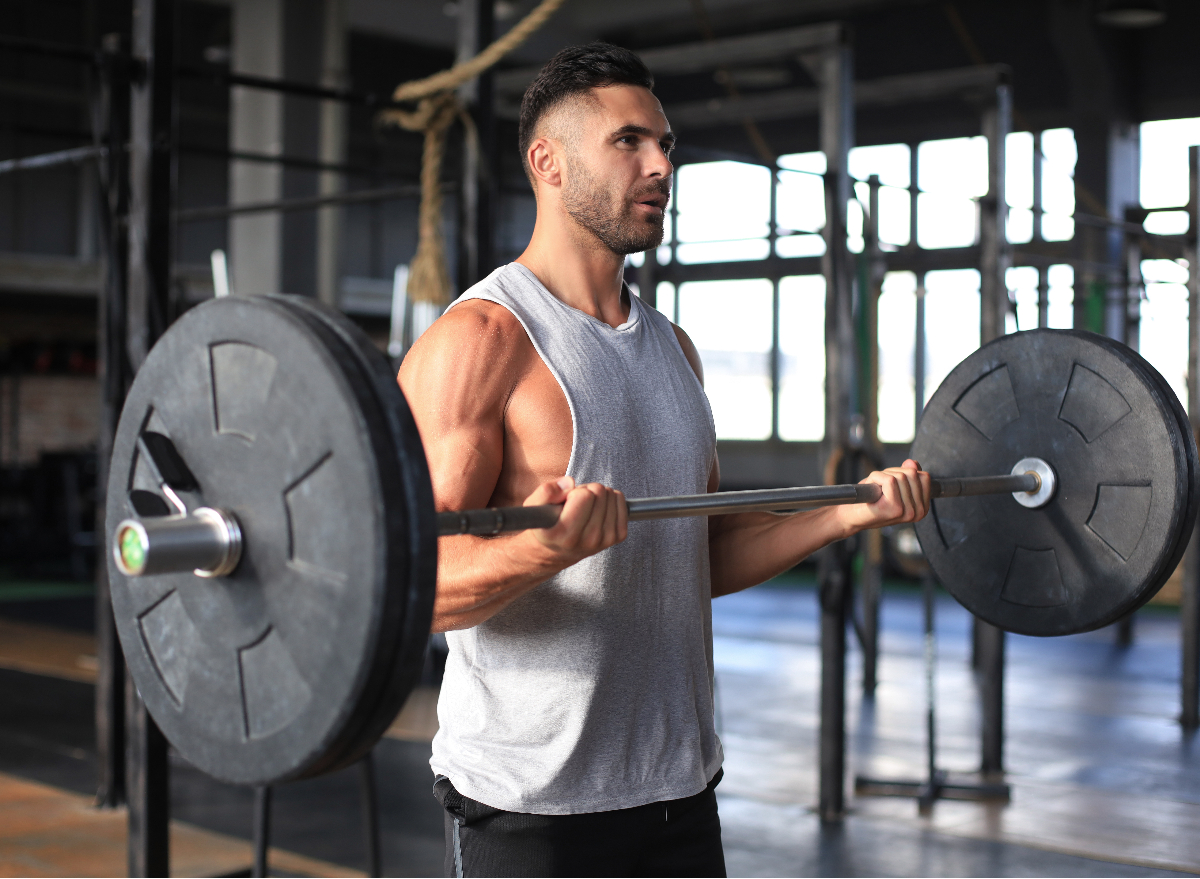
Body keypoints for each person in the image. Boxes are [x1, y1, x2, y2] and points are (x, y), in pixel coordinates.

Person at [397, 42, 931, 878]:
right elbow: (418, 587)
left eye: (666, 144)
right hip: (532, 809)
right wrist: (551, 547)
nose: (660, 165)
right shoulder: (483, 340)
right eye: (628, 142)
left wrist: (848, 512)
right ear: (548, 162)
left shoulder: (674, 349)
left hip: (680, 791)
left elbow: (698, 553)